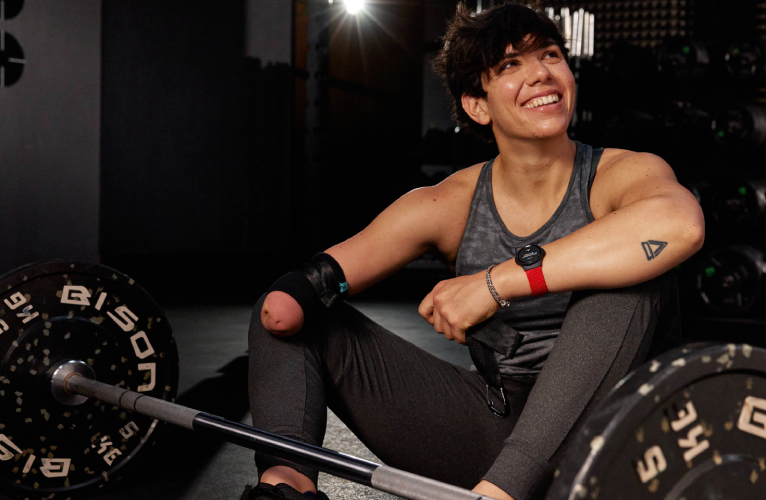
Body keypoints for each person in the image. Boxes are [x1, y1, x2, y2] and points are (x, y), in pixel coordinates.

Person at [240, 3, 704, 500]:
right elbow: (311, 284)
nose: (542, 73)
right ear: (477, 105)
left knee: (628, 277)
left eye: (550, 55)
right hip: (505, 437)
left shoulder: (620, 173)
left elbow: (679, 225)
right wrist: (293, 302)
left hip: (623, 448)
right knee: (296, 312)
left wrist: (495, 283)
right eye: (511, 65)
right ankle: (287, 489)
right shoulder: (451, 202)